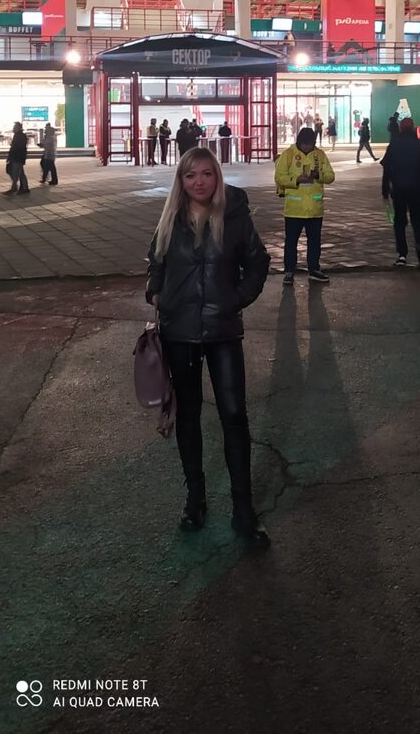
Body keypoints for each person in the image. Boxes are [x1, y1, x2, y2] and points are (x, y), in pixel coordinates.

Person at [146, 148, 270, 544]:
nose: (198, 182)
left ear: (216, 176)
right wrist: (155, 291)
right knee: (188, 414)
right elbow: (156, 261)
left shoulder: (234, 215)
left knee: (234, 415)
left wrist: (236, 299)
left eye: (206, 173)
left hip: (223, 331)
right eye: (190, 175)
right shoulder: (171, 217)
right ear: (181, 181)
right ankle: (195, 499)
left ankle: (243, 509)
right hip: (178, 332)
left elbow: (259, 262)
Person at [275, 126, 335, 284]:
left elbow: (330, 176)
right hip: (294, 210)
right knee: (291, 242)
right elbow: (279, 177)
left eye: (311, 144)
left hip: (314, 209)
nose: (308, 147)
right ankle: (289, 271)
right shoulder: (288, 155)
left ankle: (314, 269)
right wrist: (296, 180)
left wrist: (318, 175)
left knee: (314, 241)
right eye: (305, 144)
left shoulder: (320, 155)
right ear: (299, 142)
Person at [381, 117, 420, 269]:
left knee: (400, 222)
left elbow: (387, 168)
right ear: (413, 128)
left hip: (399, 190)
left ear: (401, 128)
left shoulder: (394, 145)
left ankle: (402, 254)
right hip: (417, 190)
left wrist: (385, 190)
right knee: (418, 221)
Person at [4, 121, 30, 195]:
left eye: (14, 127)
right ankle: (25, 187)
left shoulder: (19, 136)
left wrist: (10, 157)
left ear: (18, 128)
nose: (13, 128)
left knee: (15, 173)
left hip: (17, 157)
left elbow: (16, 148)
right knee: (21, 173)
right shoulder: (19, 135)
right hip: (18, 157)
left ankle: (14, 188)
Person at [41, 121, 58, 186]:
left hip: (50, 154)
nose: (45, 131)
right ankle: (45, 178)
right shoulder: (50, 137)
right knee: (48, 166)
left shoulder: (51, 138)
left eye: (46, 130)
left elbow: (47, 145)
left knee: (50, 167)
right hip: (49, 154)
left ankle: (53, 180)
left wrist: (43, 144)